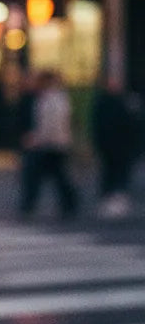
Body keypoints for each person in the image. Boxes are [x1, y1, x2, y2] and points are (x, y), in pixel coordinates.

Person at [19, 69, 78, 219]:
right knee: (57, 176)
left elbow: (51, 124)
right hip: (54, 143)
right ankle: (69, 203)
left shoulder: (51, 99)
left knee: (39, 176)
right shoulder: (55, 98)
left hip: (50, 144)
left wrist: (37, 139)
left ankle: (30, 204)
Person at [91, 78, 143, 218]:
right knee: (110, 172)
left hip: (122, 146)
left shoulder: (126, 101)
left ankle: (118, 198)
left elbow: (135, 125)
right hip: (110, 145)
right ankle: (110, 198)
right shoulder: (104, 103)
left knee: (120, 172)